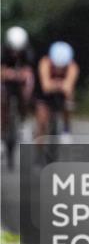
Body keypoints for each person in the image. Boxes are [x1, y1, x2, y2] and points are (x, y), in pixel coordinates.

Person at [35, 41, 78, 142]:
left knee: (69, 99)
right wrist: (60, 84)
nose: (59, 70)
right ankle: (39, 151)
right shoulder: (44, 62)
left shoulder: (72, 66)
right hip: (44, 95)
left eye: (62, 67)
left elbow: (69, 86)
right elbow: (46, 86)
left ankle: (66, 128)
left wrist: (55, 84)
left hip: (62, 94)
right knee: (41, 122)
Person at [2, 26, 35, 156]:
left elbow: (29, 72)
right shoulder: (2, 51)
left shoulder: (28, 52)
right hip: (5, 82)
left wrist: (21, 76)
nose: (16, 52)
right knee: (2, 102)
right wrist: (7, 73)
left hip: (21, 81)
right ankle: (1, 135)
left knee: (25, 96)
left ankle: (24, 122)